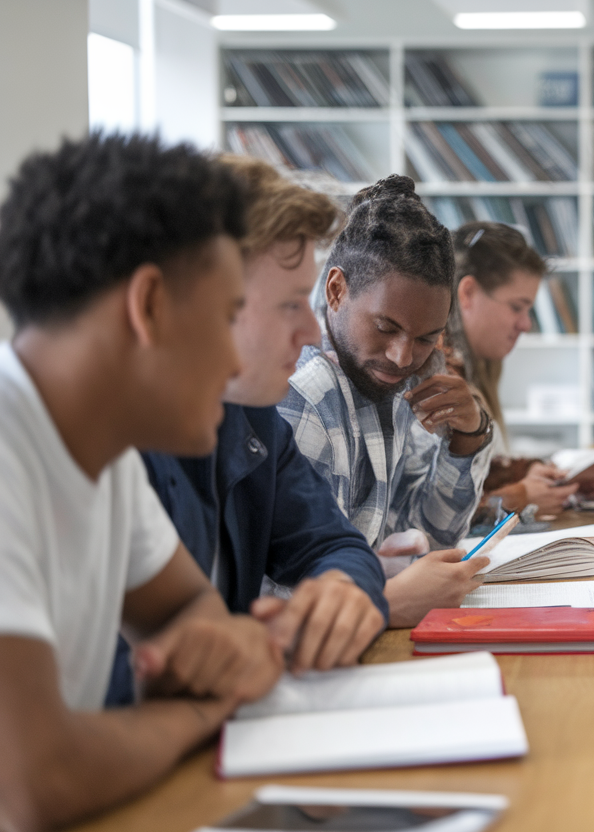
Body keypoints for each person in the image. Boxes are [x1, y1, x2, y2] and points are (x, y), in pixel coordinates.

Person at [0, 133, 283, 829]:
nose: (230, 356)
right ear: (149, 304)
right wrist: (198, 709)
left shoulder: (106, 457)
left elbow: (195, 617)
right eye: (226, 317)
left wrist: (229, 651)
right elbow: (35, 782)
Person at [130, 157, 386, 687]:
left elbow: (335, 546)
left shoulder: (250, 417)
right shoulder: (113, 448)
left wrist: (344, 594)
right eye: (291, 304)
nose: (314, 334)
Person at [278, 175, 494, 627]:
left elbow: (428, 537)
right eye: (385, 327)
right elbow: (290, 599)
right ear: (336, 291)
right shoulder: (309, 396)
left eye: (426, 338)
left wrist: (467, 441)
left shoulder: (384, 380)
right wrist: (388, 596)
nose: (402, 356)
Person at [444, 221, 594, 519]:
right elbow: (429, 511)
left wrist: (541, 475)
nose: (526, 324)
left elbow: (470, 472)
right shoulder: (435, 376)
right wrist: (516, 500)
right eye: (516, 307)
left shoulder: (466, 366)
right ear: (467, 292)